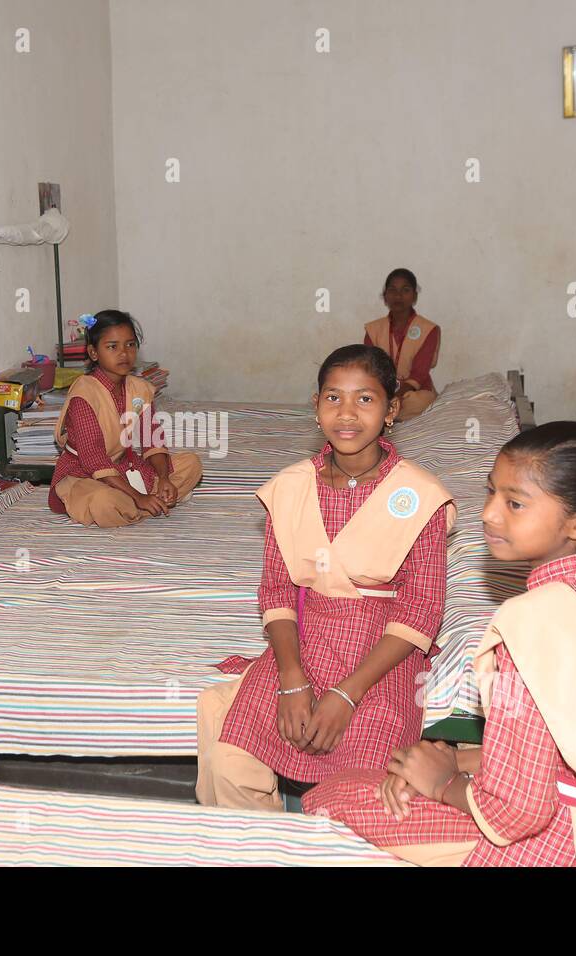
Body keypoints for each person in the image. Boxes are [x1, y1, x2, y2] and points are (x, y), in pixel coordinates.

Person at [304, 422, 576, 866]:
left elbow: (517, 813)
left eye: (514, 503)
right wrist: (460, 760)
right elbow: (563, 746)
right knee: (389, 773)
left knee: (331, 798)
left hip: (557, 844)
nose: (489, 514)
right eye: (491, 493)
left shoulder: (533, 622)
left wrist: (442, 784)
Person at [196, 344, 454, 810]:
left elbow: (421, 609)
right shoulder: (291, 487)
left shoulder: (420, 496)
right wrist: (291, 677)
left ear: (392, 409)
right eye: (333, 398)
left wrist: (346, 694)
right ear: (315, 406)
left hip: (382, 654)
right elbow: (276, 588)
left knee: (364, 789)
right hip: (306, 635)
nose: (347, 414)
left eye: (366, 399)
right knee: (230, 759)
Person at [49, 310, 201, 526]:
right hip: (85, 474)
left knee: (191, 464)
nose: (123, 353)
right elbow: (94, 460)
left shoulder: (140, 389)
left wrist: (165, 478)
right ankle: (144, 505)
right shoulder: (84, 395)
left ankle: (145, 503)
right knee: (104, 502)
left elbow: (152, 440)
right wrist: (139, 497)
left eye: (130, 345)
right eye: (112, 346)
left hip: (125, 466)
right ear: (94, 353)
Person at [363, 268, 440, 420]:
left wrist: (395, 398)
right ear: (385, 297)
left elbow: (419, 374)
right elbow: (370, 369)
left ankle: (385, 414)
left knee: (421, 402)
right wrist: (385, 396)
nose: (398, 296)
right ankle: (387, 413)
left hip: (414, 393)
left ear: (414, 296)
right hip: (382, 391)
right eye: (392, 290)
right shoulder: (373, 329)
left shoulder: (428, 329)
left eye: (405, 290)